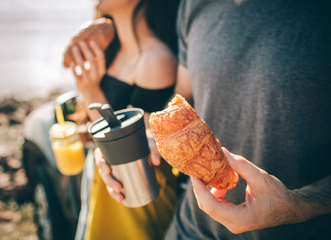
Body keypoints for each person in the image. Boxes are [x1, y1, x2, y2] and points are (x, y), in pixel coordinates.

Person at [101, 0, 331, 239]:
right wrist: (136, 139)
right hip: (192, 228)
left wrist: (298, 204)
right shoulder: (192, 5)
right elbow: (183, 97)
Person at [69, 0, 181, 239]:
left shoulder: (156, 60)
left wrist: (90, 92)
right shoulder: (112, 49)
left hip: (132, 199)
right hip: (105, 181)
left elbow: (132, 145)